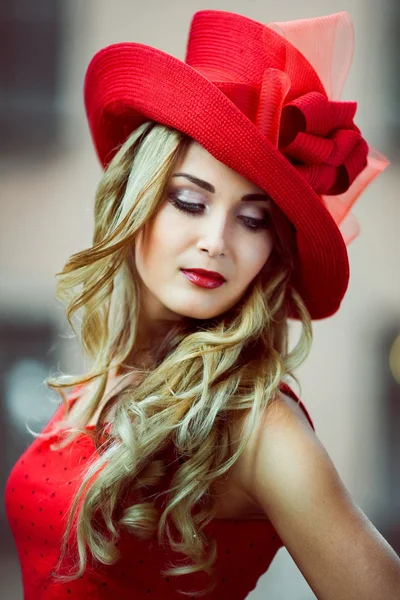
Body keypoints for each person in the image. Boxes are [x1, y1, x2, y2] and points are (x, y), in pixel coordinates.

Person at [5, 9, 400, 600]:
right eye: (190, 202)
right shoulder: (111, 371)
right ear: (134, 201)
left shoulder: (258, 424)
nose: (217, 241)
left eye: (252, 219)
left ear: (273, 249)